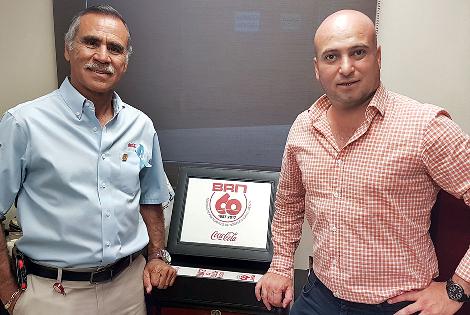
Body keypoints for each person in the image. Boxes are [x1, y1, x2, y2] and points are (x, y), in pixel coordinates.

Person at [255, 9, 469, 315]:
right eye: (331, 57)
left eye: (358, 52)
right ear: (317, 68)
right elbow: (290, 202)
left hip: (396, 306)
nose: (346, 68)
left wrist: (457, 288)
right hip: (319, 297)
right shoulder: (303, 127)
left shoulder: (424, 127)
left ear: (378, 57)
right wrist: (280, 265)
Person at [0, 5, 176, 315]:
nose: (103, 56)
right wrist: (8, 294)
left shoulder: (141, 126)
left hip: (128, 290)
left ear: (124, 62)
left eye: (115, 48)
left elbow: (151, 200)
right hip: (54, 295)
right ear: (68, 50)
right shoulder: (23, 124)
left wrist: (157, 256)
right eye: (91, 42)